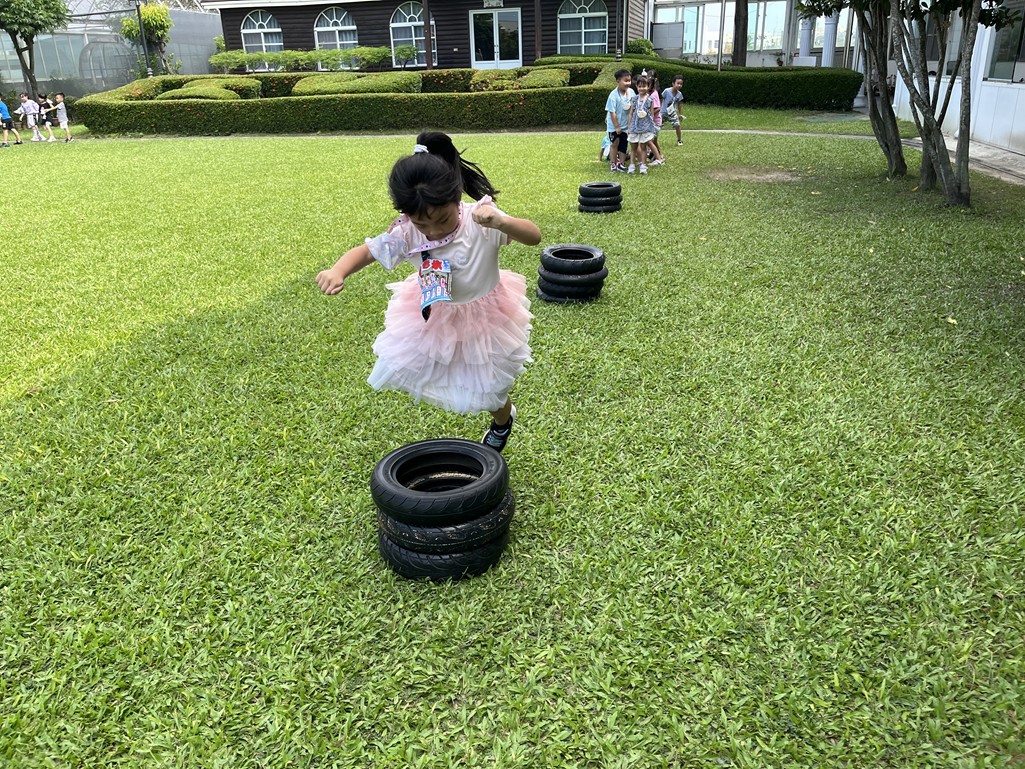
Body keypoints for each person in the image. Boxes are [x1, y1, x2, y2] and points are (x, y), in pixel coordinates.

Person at [315, 132, 542, 453]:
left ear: (455, 197)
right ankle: (494, 410)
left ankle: (503, 420)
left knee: (491, 389)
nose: (433, 231)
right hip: (435, 315)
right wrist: (338, 270)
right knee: (425, 369)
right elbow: (366, 252)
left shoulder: (481, 219)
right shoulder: (406, 233)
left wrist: (501, 223)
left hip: (486, 317)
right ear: (408, 215)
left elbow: (533, 236)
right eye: (423, 225)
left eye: (442, 219)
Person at [625, 75, 663, 174]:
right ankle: (632, 165)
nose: (642, 88)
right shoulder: (634, 99)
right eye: (640, 86)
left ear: (648, 86)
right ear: (636, 87)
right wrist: (629, 126)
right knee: (633, 147)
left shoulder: (650, 100)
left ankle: (643, 165)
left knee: (643, 147)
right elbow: (631, 113)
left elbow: (652, 114)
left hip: (645, 127)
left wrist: (651, 127)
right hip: (634, 126)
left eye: (644, 86)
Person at [604, 69, 634, 173]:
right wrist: (616, 126)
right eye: (625, 81)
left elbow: (632, 108)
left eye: (629, 81)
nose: (628, 83)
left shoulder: (631, 92)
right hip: (614, 126)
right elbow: (612, 112)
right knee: (615, 143)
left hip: (626, 125)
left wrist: (630, 125)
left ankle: (621, 163)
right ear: (618, 81)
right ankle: (613, 163)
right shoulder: (613, 95)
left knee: (624, 144)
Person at [661, 75, 686, 146]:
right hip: (663, 112)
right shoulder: (666, 91)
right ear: (673, 83)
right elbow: (661, 99)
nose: (679, 85)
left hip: (672, 113)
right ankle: (652, 140)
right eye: (678, 83)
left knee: (677, 125)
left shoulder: (679, 94)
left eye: (681, 84)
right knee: (657, 126)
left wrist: (680, 114)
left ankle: (679, 140)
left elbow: (679, 104)